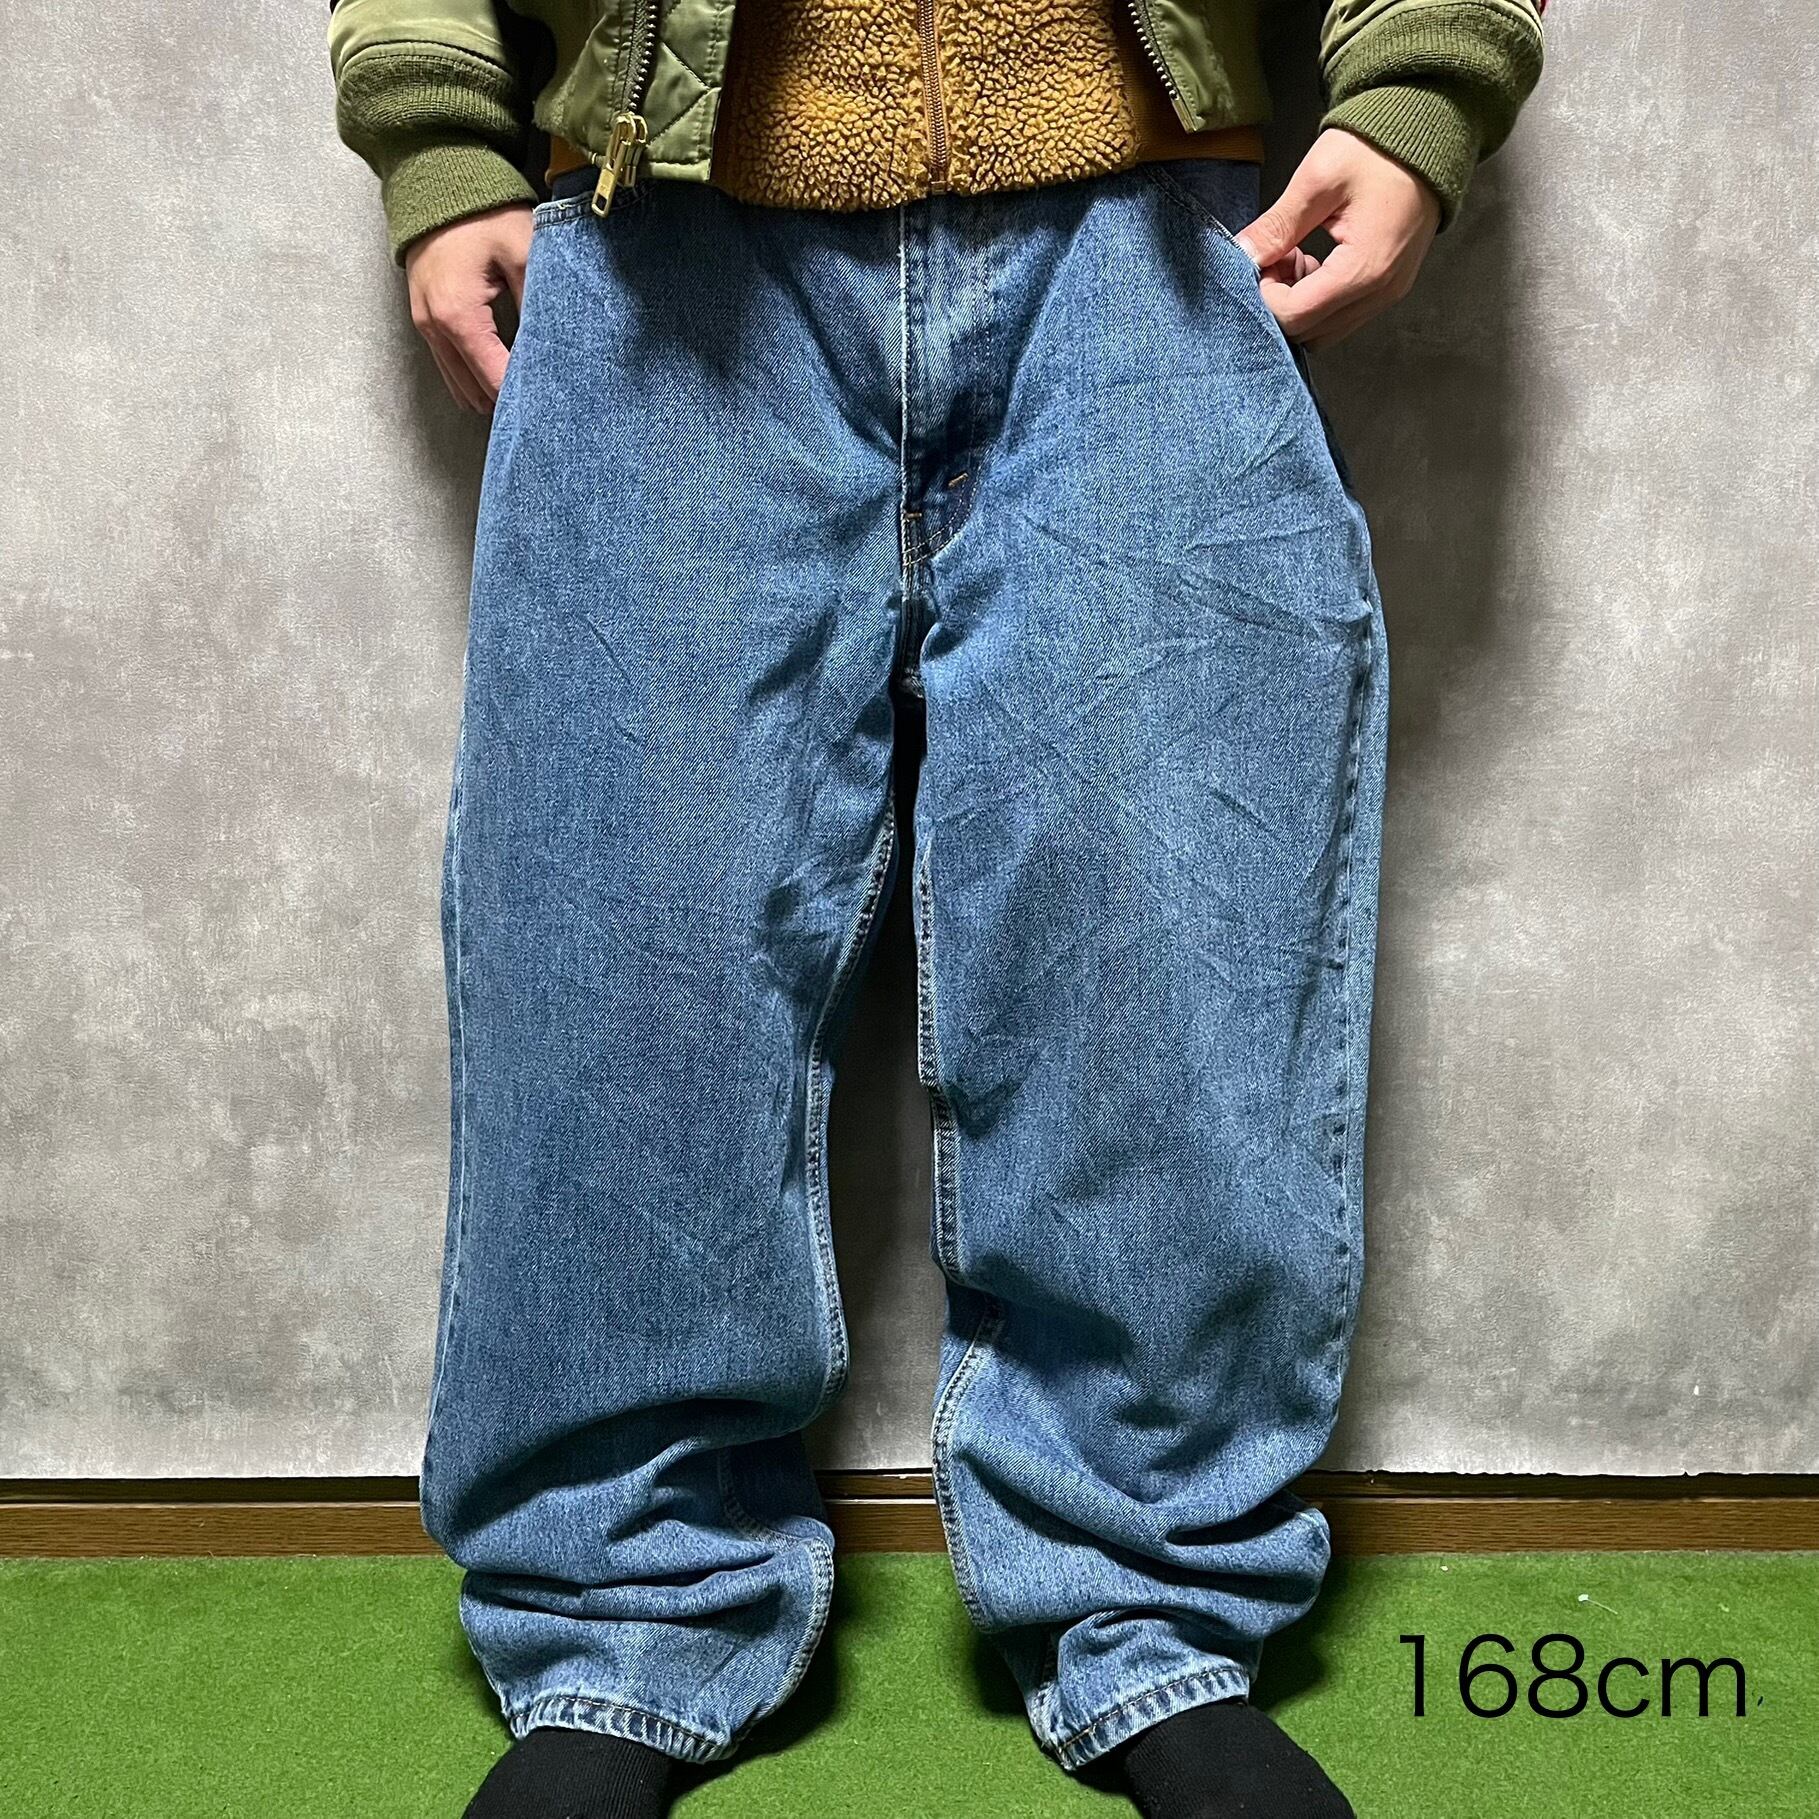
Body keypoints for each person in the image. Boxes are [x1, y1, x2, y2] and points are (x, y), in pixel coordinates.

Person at [326, 2, 1545, 1814]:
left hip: (1150, 235)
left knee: (1162, 934)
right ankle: (620, 1622)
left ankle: (1153, 1605)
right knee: (629, 953)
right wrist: (438, 144)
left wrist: (1422, 80)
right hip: (663, 240)